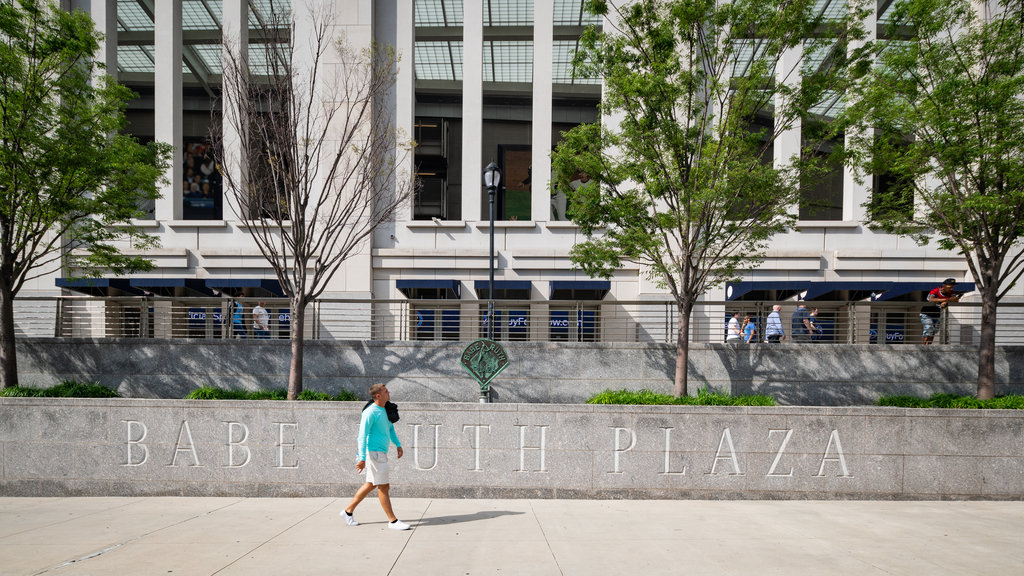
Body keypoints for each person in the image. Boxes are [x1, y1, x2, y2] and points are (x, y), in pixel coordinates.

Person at [341, 384, 411, 530]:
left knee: (371, 484)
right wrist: (362, 458)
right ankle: (392, 521)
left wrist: (398, 445)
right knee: (384, 486)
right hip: (373, 453)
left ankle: (348, 512)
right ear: (378, 395)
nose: (389, 392)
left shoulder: (385, 410)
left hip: (380, 452)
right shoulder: (370, 412)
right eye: (386, 391)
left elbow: (390, 428)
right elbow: (362, 436)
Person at [921, 278, 961, 345]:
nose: (951, 289)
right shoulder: (935, 291)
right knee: (929, 329)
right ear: (944, 286)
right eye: (950, 287)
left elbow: (956, 299)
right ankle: (923, 347)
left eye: (953, 287)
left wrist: (946, 301)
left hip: (937, 314)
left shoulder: (951, 292)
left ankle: (928, 347)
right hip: (927, 313)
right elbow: (931, 299)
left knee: (933, 331)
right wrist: (944, 300)